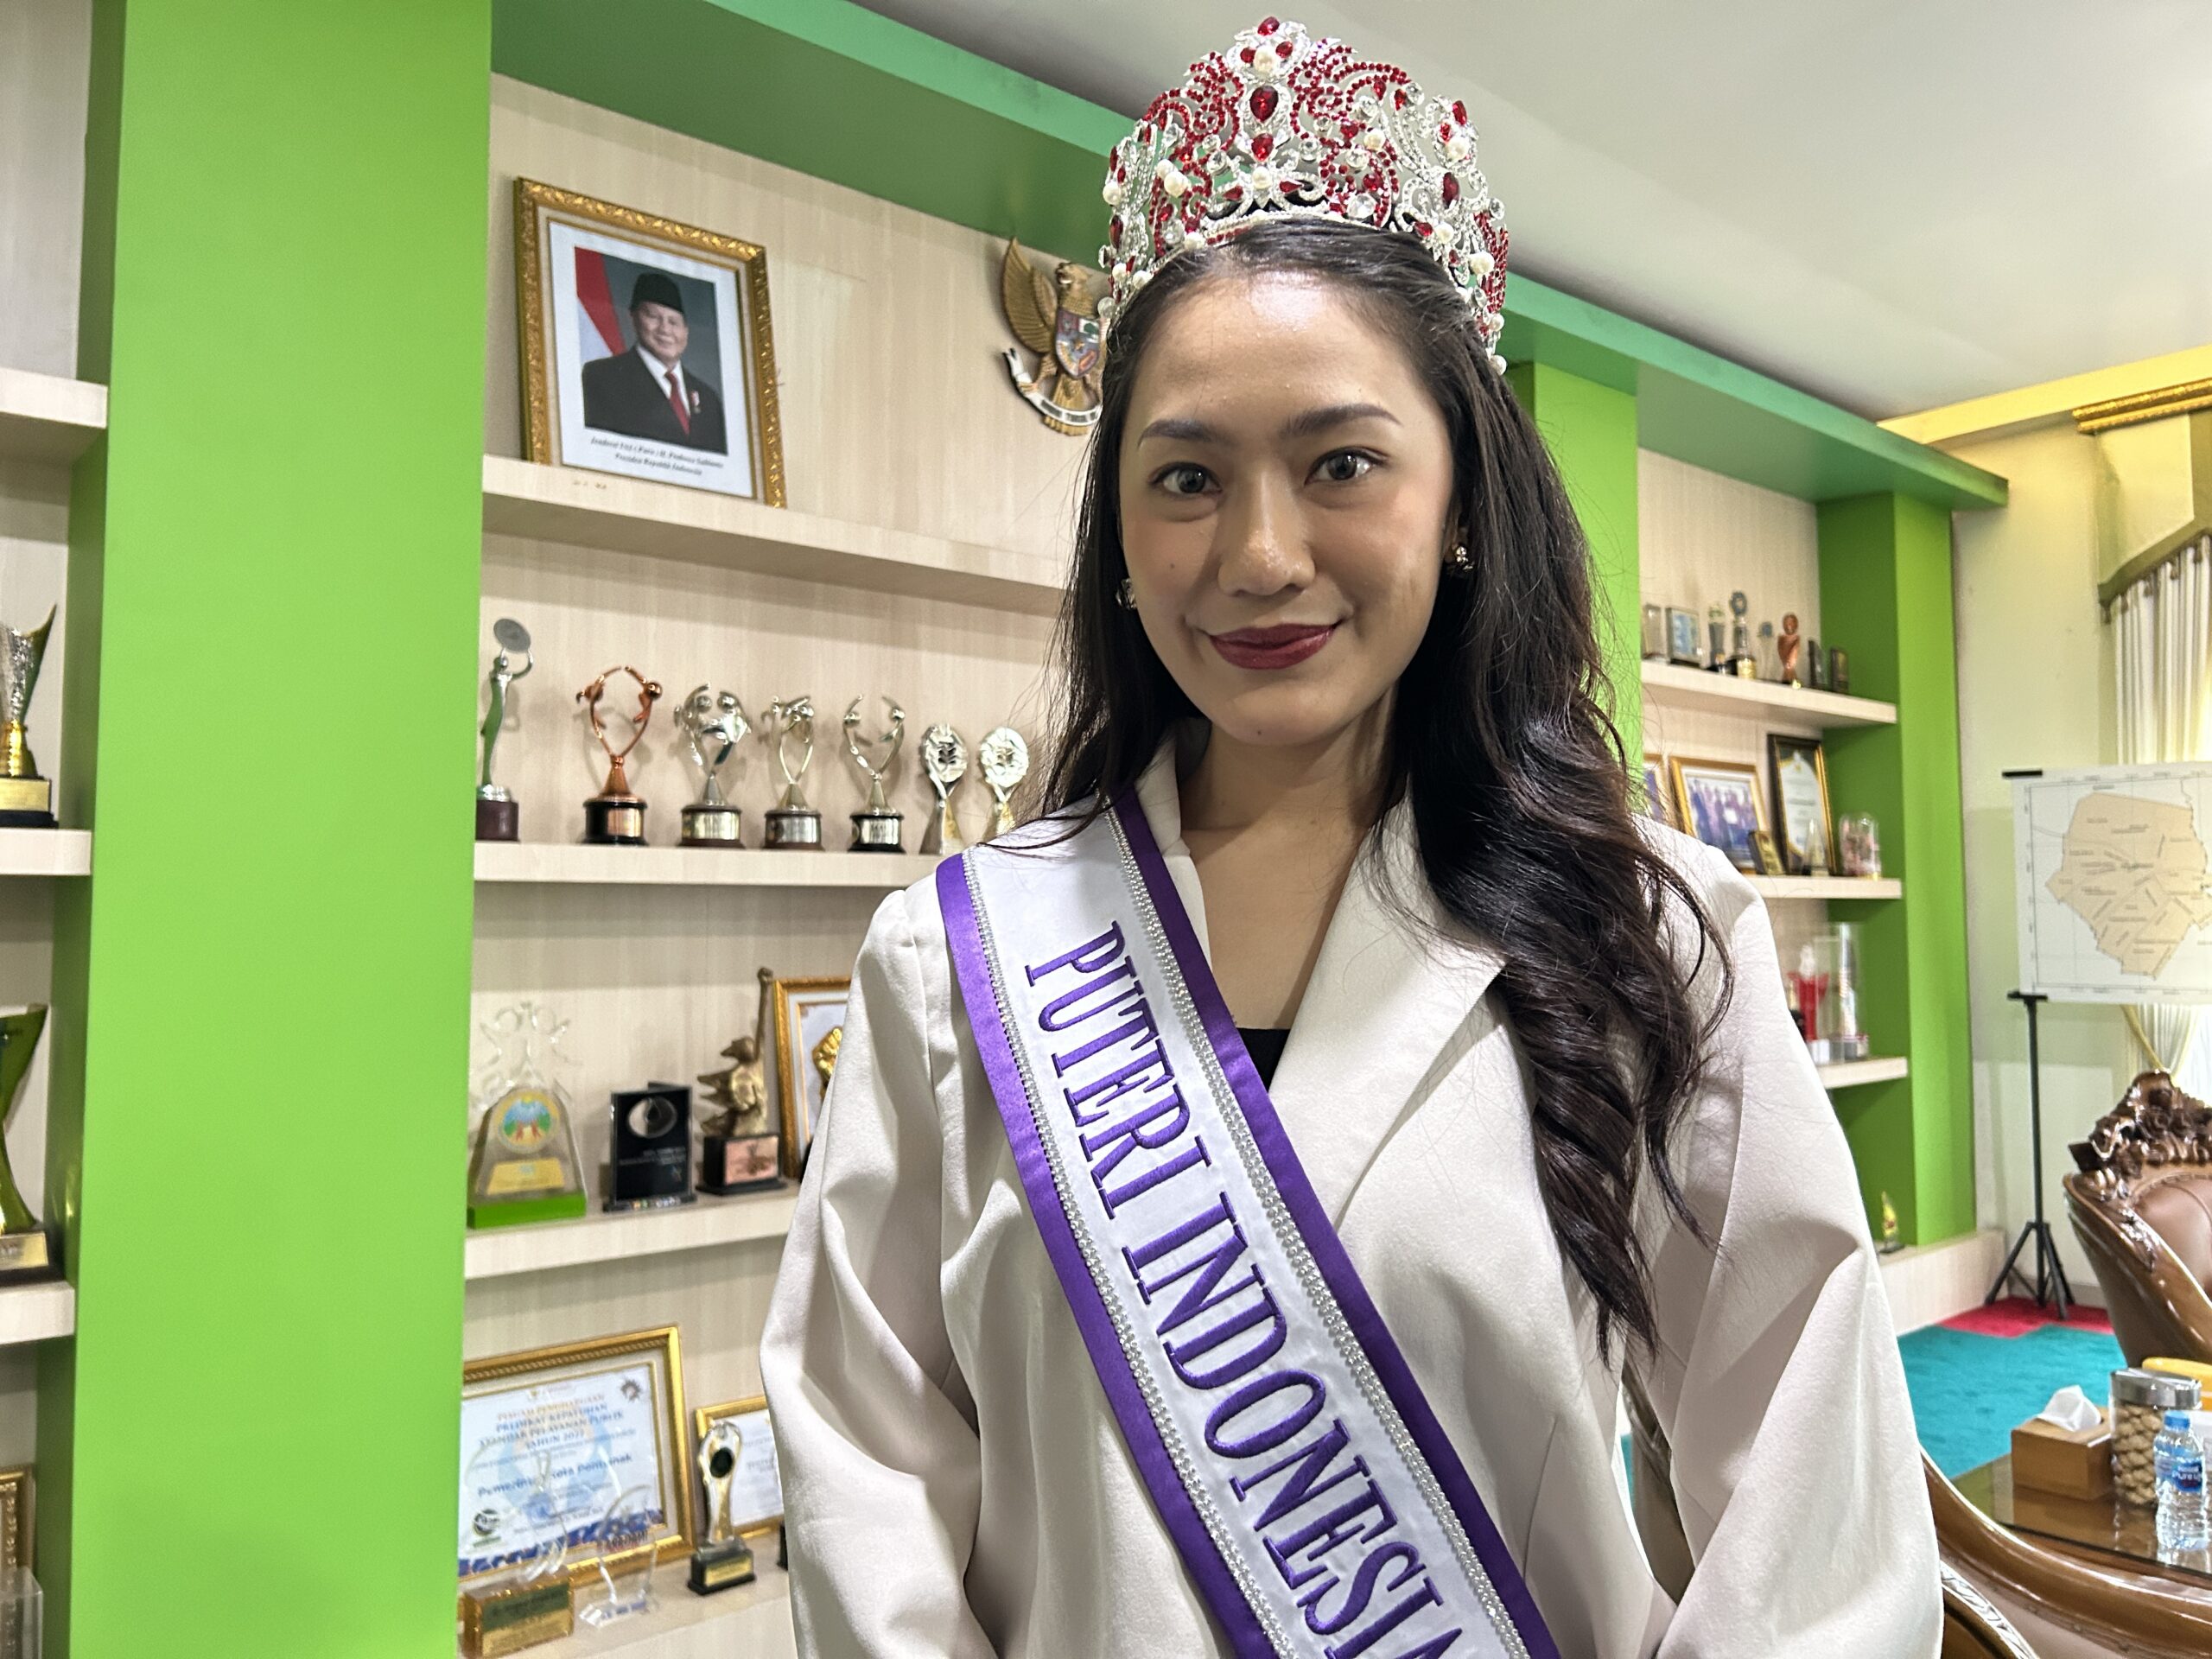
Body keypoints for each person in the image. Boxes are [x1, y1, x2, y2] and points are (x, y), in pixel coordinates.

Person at [762, 18, 1937, 1658]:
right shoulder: (958, 960)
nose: (1258, 554)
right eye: (1186, 479)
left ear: (1461, 505)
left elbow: (1818, 1518)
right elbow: (864, 1470)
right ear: (1119, 532)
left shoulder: (1650, 934)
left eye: (1342, 464)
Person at [580, 269, 728, 452]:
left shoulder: (708, 399)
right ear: (633, 317)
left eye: (673, 322)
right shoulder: (600, 378)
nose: (665, 329)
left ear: (686, 331)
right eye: (653, 317)